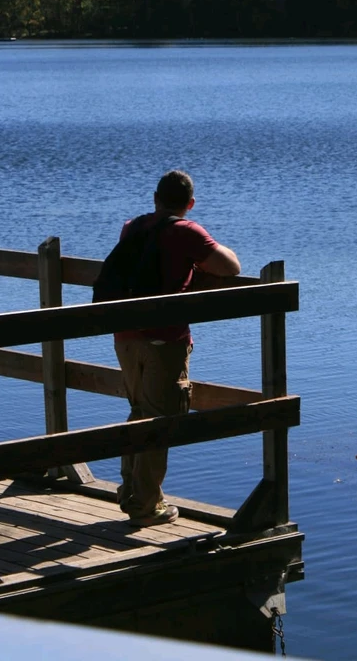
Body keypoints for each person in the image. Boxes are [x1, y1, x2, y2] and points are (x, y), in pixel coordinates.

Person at [113, 170, 241, 527]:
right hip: (164, 339)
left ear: (155, 197)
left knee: (139, 412)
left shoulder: (132, 227)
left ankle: (130, 492)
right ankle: (146, 505)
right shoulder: (186, 231)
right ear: (190, 203)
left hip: (124, 335)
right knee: (161, 421)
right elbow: (231, 266)